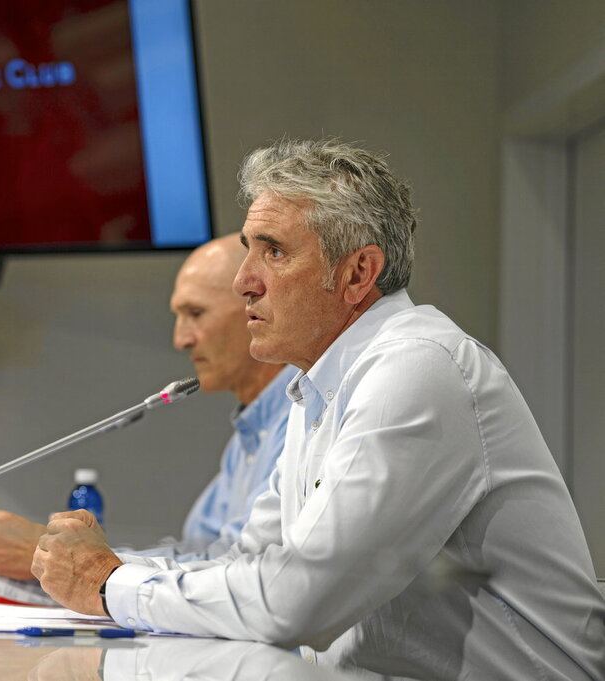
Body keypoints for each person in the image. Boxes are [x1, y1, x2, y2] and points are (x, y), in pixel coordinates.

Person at [30, 139, 605, 681]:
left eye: (274, 251)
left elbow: (296, 602)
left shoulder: (417, 367)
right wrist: (108, 570)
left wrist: (108, 584)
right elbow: (247, 566)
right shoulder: (318, 386)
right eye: (249, 249)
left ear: (358, 273)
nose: (243, 282)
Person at [0, 234, 295, 580]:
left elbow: (240, 576)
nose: (181, 340)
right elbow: (202, 554)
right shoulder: (251, 431)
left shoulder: (297, 420)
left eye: (196, 314)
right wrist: (71, 559)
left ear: (256, 308)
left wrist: (65, 560)